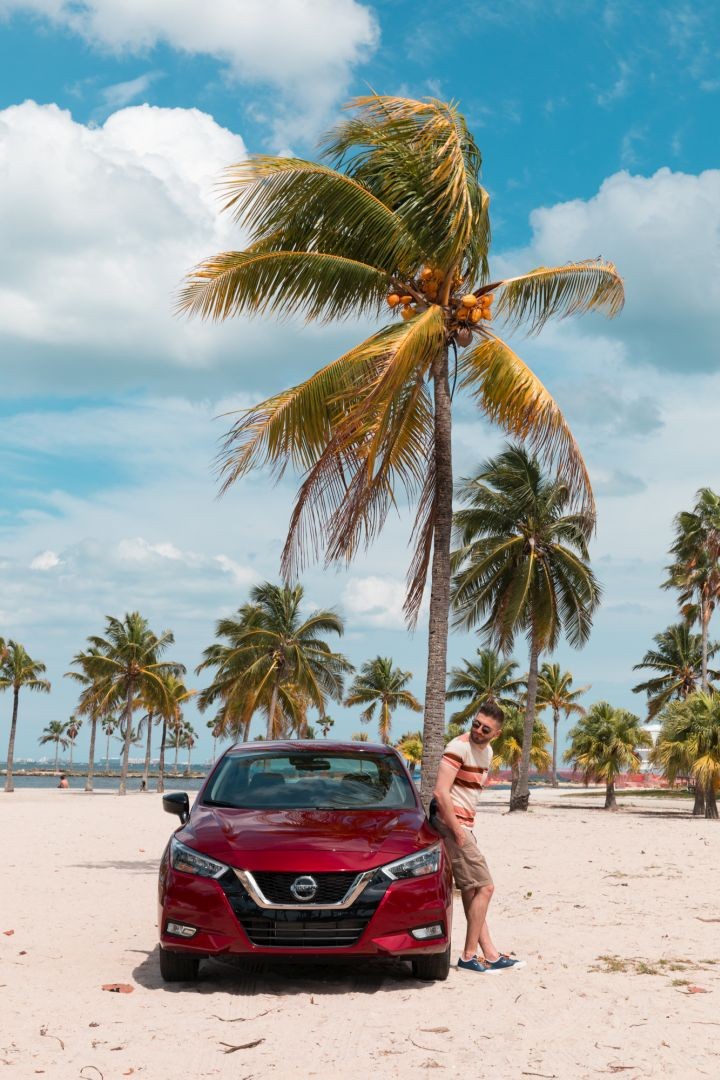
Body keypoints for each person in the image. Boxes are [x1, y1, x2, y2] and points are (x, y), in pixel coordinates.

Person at [432, 701, 523, 973]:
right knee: (486, 887)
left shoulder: (488, 752)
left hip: (464, 826)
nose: (478, 730)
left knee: (473, 892)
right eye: (476, 724)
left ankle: (491, 954)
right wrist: (458, 831)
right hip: (451, 825)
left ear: (496, 733)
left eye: (486, 728)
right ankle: (469, 956)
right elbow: (440, 792)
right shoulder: (457, 747)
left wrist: (465, 829)